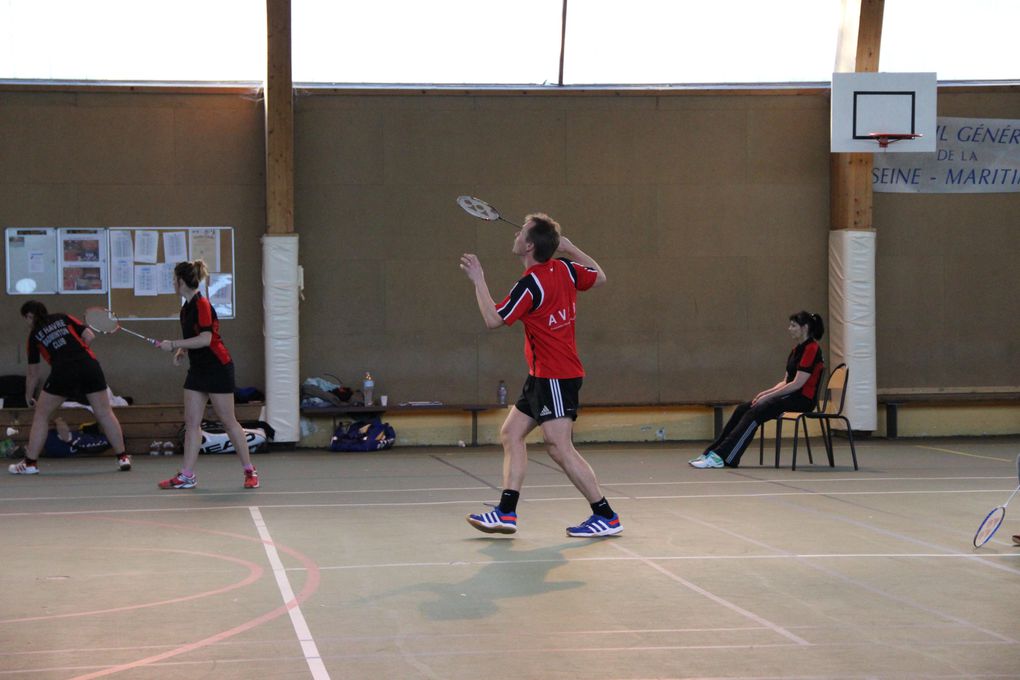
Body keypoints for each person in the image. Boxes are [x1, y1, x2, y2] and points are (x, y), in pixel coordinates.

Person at [459, 213, 622, 537]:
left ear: (529, 245)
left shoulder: (530, 284)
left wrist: (479, 279)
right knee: (511, 434)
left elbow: (493, 319)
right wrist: (572, 249)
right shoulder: (565, 268)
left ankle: (606, 515)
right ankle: (506, 513)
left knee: (559, 447)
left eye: (521, 232)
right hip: (542, 376)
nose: (516, 235)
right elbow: (599, 276)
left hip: (557, 377)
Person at [155, 259, 259, 490]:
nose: (173, 283)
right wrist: (182, 350)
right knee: (192, 422)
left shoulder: (202, 305)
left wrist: (172, 344)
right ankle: (187, 475)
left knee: (228, 421)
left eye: (174, 279)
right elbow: (195, 336)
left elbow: (206, 339)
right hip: (198, 369)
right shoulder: (186, 308)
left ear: (181, 281)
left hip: (217, 367)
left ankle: (250, 471)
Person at [690, 311, 825, 469]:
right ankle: (712, 452)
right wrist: (765, 393)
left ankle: (722, 456)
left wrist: (768, 398)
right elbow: (786, 381)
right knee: (743, 408)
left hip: (802, 400)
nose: (789, 328)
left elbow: (797, 384)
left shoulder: (812, 349)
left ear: (805, 327)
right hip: (789, 396)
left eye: (793, 325)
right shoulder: (796, 350)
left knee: (757, 412)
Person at [9, 301, 132, 475]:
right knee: (104, 412)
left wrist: (28, 396)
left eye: (26, 319)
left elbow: (33, 373)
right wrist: (78, 354)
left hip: (63, 371)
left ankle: (30, 463)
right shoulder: (63, 317)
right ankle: (123, 457)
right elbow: (89, 336)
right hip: (89, 366)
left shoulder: (34, 335)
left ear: (29, 316)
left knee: (42, 415)